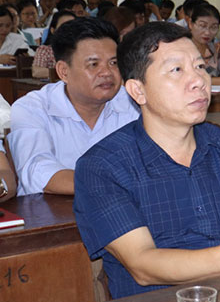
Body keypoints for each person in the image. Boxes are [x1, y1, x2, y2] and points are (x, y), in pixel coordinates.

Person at [74, 22, 220, 299]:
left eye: (200, 67)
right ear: (138, 91)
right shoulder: (103, 166)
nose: (199, 81)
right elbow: (142, 265)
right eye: (176, 70)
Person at [9, 17, 138, 195]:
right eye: (93, 64)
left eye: (113, 63)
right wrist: (113, 184)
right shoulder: (31, 108)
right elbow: (37, 171)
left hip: (125, 206)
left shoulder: (135, 103)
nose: (107, 72)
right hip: (53, 210)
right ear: (63, 71)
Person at [32, 10, 75, 78]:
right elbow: (36, 72)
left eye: (73, 27)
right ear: (53, 30)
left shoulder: (81, 50)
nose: (68, 30)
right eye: (63, 27)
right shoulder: (45, 50)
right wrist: (65, 72)